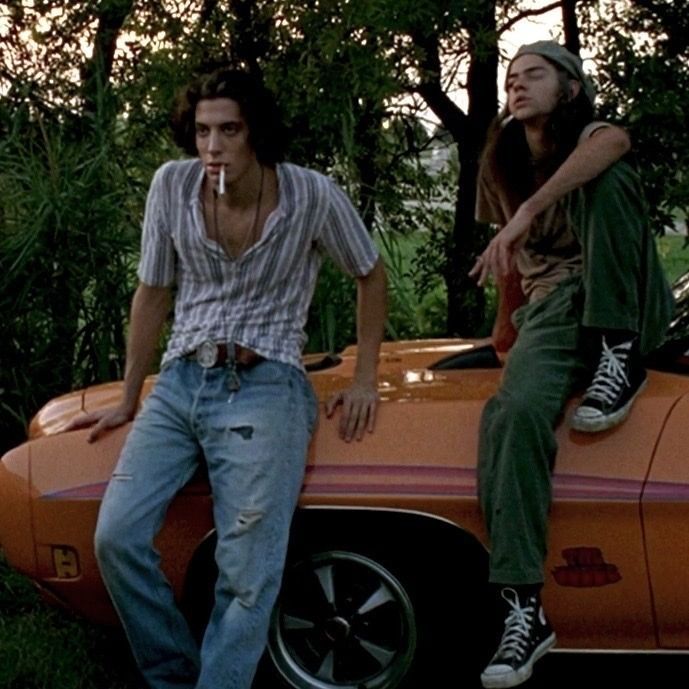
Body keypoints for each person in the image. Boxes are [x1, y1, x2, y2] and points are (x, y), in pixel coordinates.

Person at [67, 68, 387, 689]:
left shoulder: (312, 195)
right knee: (116, 537)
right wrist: (130, 395)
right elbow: (153, 291)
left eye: (229, 130)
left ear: (255, 132)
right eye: (203, 131)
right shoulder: (172, 186)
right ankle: (174, 674)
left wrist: (366, 376)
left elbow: (370, 274)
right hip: (182, 382)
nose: (212, 146)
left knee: (247, 569)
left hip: (266, 384)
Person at [469, 41, 674, 689]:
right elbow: (508, 261)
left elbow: (612, 145)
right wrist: (505, 327)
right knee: (511, 412)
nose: (517, 86)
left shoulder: (591, 134)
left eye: (533, 75)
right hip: (553, 309)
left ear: (569, 87)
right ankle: (522, 607)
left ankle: (619, 352)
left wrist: (531, 210)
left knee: (603, 182)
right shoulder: (498, 159)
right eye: (509, 80)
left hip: (626, 297)